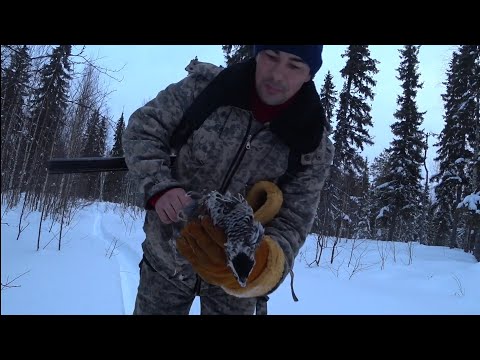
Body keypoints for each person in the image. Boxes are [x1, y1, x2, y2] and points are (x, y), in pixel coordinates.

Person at [122, 45, 334, 315]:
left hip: (236, 284)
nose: (277, 75)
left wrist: (262, 267)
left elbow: (294, 220)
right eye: (271, 57)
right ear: (257, 54)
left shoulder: (313, 144)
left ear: (309, 74)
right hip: (166, 261)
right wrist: (159, 187)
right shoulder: (204, 90)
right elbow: (143, 130)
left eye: (294, 65)